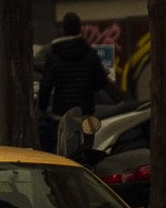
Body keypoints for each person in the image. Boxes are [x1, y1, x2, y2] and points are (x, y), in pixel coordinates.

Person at [34, 11, 110, 157]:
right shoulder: (90, 53)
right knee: (85, 152)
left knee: (63, 153)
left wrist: (42, 108)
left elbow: (46, 84)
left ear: (63, 29)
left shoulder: (54, 54)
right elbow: (100, 83)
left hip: (61, 114)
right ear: (79, 29)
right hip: (85, 114)